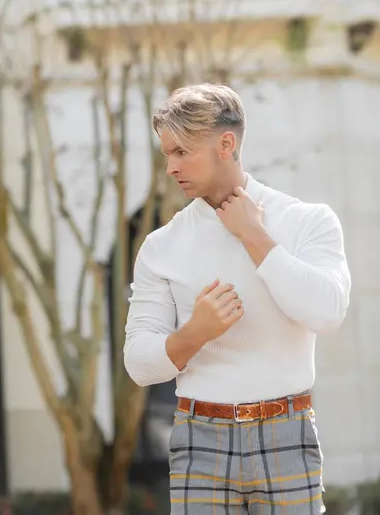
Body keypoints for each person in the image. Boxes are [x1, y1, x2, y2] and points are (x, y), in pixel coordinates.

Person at [124, 83, 351, 514]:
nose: (170, 167)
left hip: (287, 431)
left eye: (181, 152)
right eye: (166, 153)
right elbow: (139, 364)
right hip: (198, 436)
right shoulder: (160, 246)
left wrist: (254, 236)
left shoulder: (307, 221)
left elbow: (328, 313)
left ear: (225, 143)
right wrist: (195, 333)